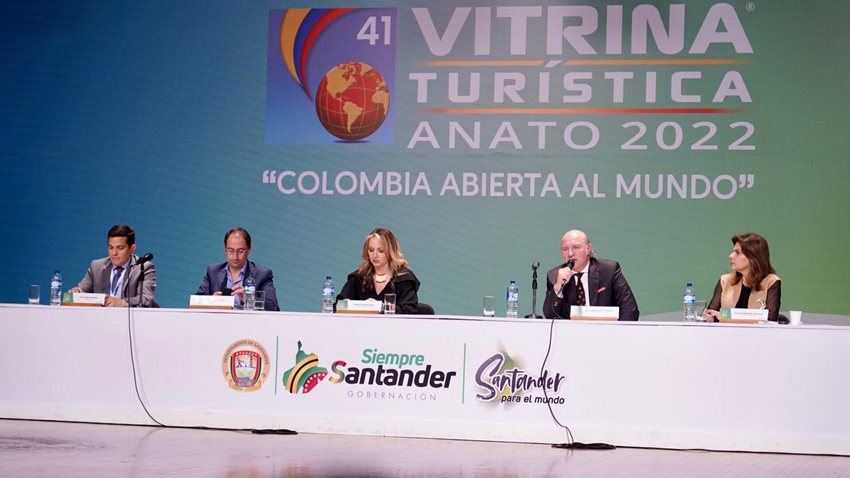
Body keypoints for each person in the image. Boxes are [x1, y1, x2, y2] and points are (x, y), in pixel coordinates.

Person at [542, 229, 639, 320]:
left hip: (607, 332)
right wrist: (558, 287)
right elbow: (550, 316)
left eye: (576, 247)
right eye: (565, 249)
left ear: (588, 249)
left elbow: (630, 309)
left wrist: (617, 333)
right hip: (571, 335)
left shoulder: (609, 270)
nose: (570, 254)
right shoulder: (554, 276)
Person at [69, 224, 158, 307]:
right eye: (111, 247)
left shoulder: (144, 267)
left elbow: (146, 300)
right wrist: (77, 292)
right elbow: (82, 290)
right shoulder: (97, 266)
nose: (114, 253)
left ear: (132, 249)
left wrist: (121, 302)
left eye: (120, 248)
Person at [336, 228, 420, 315]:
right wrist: (353, 305)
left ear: (391, 252)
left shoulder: (404, 279)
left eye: (381, 251)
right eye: (371, 250)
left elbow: (409, 310)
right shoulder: (358, 277)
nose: (375, 255)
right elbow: (338, 305)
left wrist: (380, 307)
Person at [196, 227, 279, 311]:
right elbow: (194, 303)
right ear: (225, 249)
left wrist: (249, 298)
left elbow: (273, 308)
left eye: (240, 251)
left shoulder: (262, 274)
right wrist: (212, 301)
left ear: (249, 250)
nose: (235, 256)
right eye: (231, 250)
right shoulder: (213, 272)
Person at [705, 233, 781, 322]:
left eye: (737, 252)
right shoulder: (725, 280)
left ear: (753, 256)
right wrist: (708, 316)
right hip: (726, 334)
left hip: (757, 335)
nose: (731, 256)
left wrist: (724, 315)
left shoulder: (771, 281)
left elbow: (769, 319)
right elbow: (713, 314)